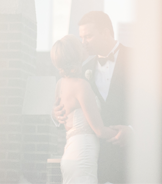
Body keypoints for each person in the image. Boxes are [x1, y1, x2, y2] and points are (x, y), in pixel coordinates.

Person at [54, 11, 131, 184]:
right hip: (95, 160)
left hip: (130, 160)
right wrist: (56, 116)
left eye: (88, 36)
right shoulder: (82, 70)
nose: (83, 43)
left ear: (105, 33)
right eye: (81, 37)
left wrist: (133, 132)